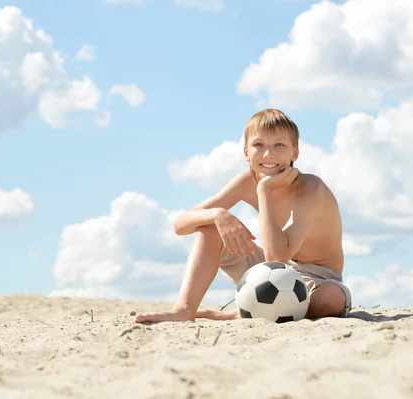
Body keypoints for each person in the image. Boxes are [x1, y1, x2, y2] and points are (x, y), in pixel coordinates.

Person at [134, 108, 351, 323]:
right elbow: (180, 225)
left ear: (295, 153)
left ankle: (242, 313)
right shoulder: (246, 180)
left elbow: (277, 259)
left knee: (330, 301)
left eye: (279, 145)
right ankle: (183, 310)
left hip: (319, 279)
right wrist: (218, 214)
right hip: (266, 274)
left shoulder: (311, 188)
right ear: (246, 152)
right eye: (259, 145)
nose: (268, 154)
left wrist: (264, 190)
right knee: (208, 225)